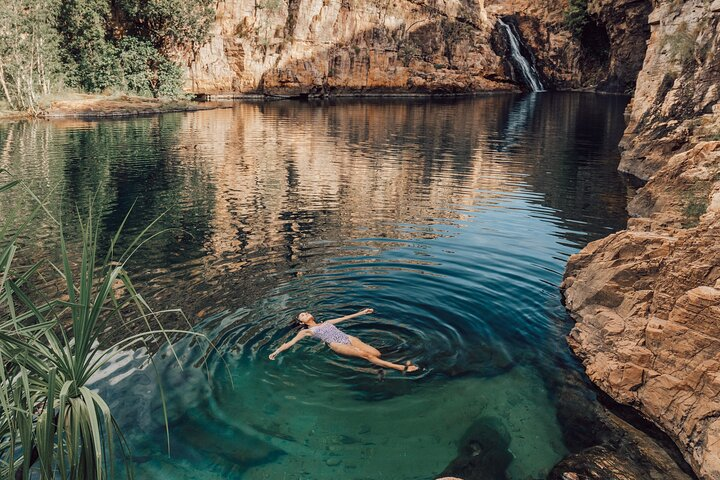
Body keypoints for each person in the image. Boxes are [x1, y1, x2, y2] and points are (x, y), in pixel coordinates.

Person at [268, 308, 419, 372]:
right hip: (336, 344)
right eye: (302, 315)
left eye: (306, 312)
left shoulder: (326, 322)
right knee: (367, 356)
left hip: (348, 338)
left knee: (376, 353)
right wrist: (276, 351)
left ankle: (374, 367)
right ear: (301, 322)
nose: (306, 314)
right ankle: (400, 368)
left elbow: (344, 318)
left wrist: (362, 312)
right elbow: (290, 343)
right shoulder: (306, 331)